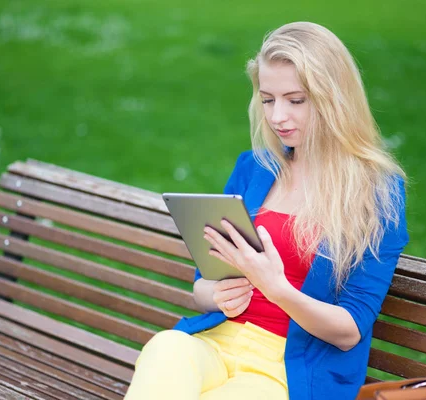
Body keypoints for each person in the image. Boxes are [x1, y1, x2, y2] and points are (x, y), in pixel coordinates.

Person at [124, 21, 409, 400]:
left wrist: (277, 289)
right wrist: (217, 295)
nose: (277, 118)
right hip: (217, 340)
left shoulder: (376, 192)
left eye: (296, 100)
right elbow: (202, 285)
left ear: (334, 98)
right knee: (166, 347)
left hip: (287, 368)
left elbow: (350, 329)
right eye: (268, 99)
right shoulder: (254, 168)